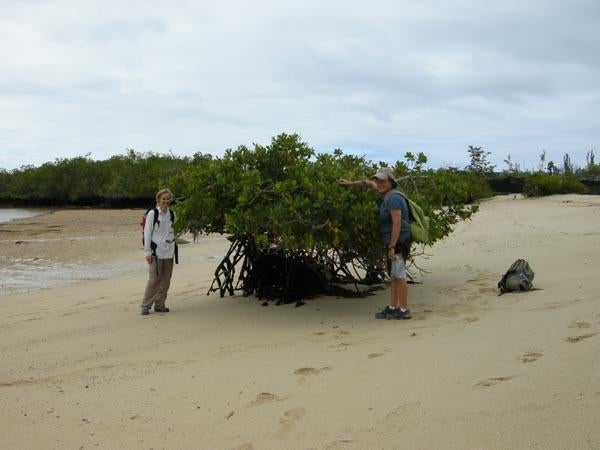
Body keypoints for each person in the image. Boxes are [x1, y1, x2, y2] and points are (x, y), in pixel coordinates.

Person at [339, 167, 412, 320]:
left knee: (398, 275)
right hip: (394, 241)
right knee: (393, 276)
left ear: (391, 182)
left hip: (399, 241)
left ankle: (404, 310)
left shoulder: (393, 198)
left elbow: (397, 223)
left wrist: (392, 247)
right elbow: (369, 183)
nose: (379, 183)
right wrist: (351, 183)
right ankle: (392, 308)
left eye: (383, 180)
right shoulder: (385, 193)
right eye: (378, 180)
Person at [141, 188, 177, 315]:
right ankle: (145, 306)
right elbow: (147, 233)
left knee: (166, 280)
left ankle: (160, 304)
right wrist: (147, 253)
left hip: (169, 252)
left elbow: (175, 230)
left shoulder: (172, 214)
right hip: (156, 252)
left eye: (168, 199)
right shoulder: (153, 214)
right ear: (158, 200)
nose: (166, 201)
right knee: (154, 280)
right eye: (163, 199)